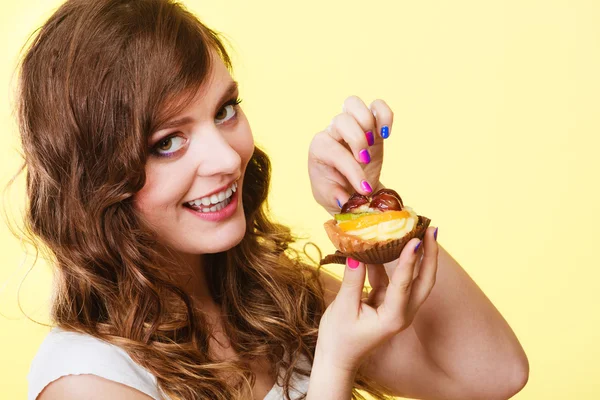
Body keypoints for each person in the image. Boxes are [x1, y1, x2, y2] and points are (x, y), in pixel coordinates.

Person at [15, 0, 528, 399]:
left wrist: (369, 211)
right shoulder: (86, 380)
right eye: (167, 142)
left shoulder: (268, 299)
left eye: (224, 109)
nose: (226, 157)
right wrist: (332, 368)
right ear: (94, 181)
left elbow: (494, 372)